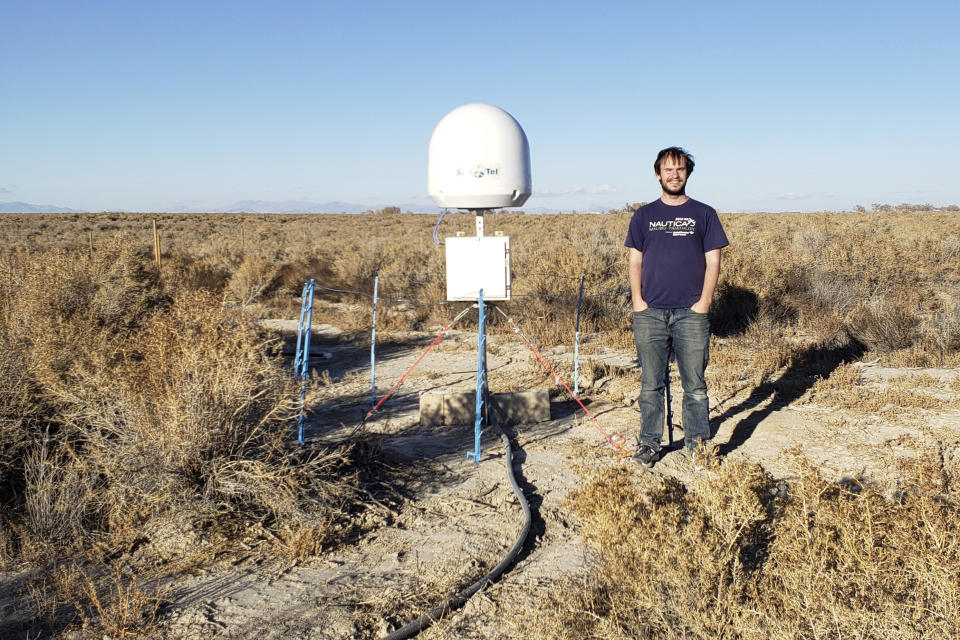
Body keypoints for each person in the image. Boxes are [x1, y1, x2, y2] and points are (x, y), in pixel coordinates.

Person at [625, 147, 728, 468]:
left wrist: (704, 303)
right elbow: (634, 260)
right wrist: (638, 302)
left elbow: (714, 261)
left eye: (680, 169)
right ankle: (649, 443)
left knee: (695, 384)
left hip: (691, 314)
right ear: (658, 174)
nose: (674, 174)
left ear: (688, 173)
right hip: (650, 312)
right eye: (668, 169)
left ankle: (698, 445)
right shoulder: (643, 216)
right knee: (651, 384)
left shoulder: (704, 213)